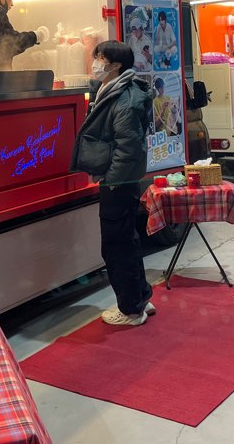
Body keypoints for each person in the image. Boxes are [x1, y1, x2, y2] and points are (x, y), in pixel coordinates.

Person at [71, 41, 153, 326]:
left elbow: (129, 148)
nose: (95, 62)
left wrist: (113, 182)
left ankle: (130, 310)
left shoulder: (124, 99)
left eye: (100, 57)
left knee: (116, 247)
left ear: (116, 65)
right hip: (120, 180)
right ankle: (141, 298)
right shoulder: (110, 89)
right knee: (128, 241)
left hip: (119, 182)